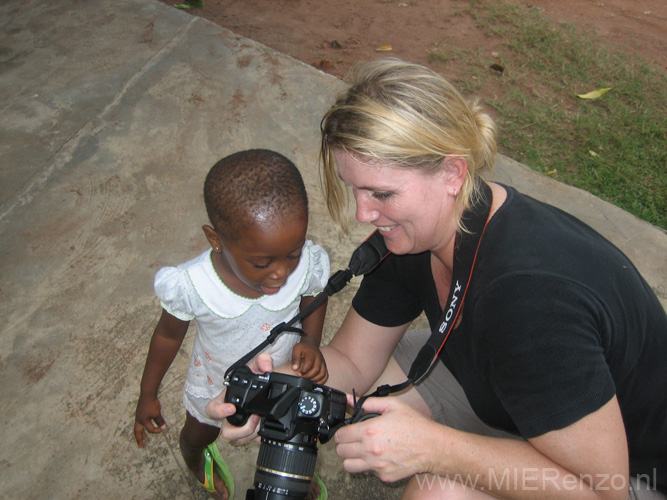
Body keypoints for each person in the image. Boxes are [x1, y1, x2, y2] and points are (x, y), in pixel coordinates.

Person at [207, 60, 667, 500]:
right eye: (356, 189)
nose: (365, 214)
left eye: (382, 193)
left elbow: (599, 487)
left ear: (452, 171)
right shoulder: (422, 231)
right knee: (358, 405)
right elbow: (350, 359)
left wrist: (434, 449)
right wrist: (267, 391)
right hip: (514, 394)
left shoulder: (527, 301)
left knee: (437, 488)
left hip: (628, 472)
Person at [134, 149, 330, 500]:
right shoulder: (194, 284)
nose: (282, 273)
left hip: (280, 373)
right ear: (216, 240)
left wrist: (311, 342)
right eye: (261, 263)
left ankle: (286, 471)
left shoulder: (305, 264)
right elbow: (166, 336)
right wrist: (147, 395)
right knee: (199, 433)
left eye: (293, 253)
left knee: (286, 432)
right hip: (215, 380)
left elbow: (314, 295)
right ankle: (195, 459)